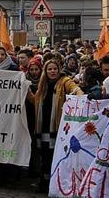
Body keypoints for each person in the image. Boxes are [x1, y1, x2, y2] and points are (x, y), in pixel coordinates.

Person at [30, 59, 83, 192]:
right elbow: (35, 101)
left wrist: (79, 93)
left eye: (54, 69)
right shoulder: (43, 85)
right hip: (43, 126)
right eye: (49, 69)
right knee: (44, 156)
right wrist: (24, 90)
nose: (52, 71)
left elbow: (74, 88)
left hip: (57, 127)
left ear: (59, 70)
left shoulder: (64, 81)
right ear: (45, 71)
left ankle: (55, 183)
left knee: (55, 155)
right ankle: (44, 181)